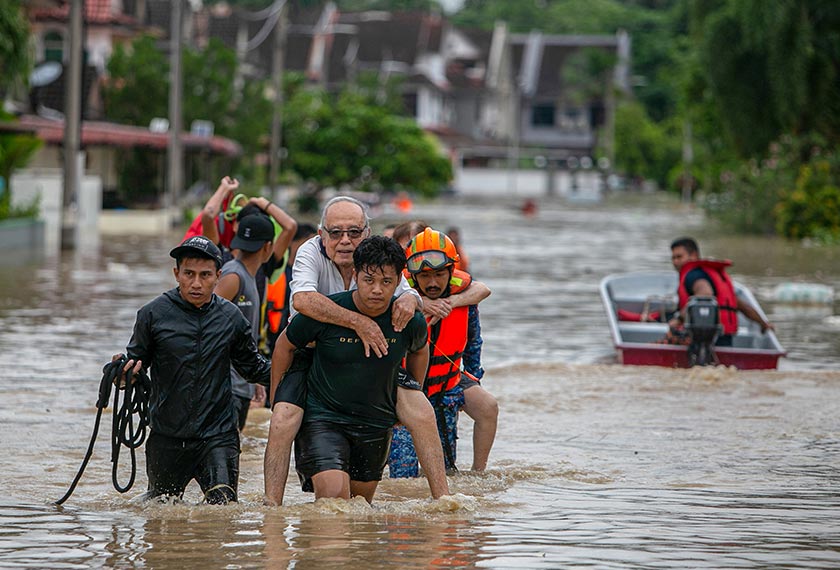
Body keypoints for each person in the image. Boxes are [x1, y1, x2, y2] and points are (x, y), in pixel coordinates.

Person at [263, 196, 490, 505]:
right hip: (315, 350)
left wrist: (411, 301)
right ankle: (271, 508)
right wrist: (359, 323)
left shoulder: (381, 261)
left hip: (372, 355)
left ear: (366, 234)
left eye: (354, 232)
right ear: (321, 234)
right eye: (335, 233)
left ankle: (444, 500)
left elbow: (411, 303)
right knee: (283, 416)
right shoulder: (309, 252)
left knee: (420, 410)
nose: (345, 241)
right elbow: (302, 302)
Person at [270, 236, 430, 502]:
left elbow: (420, 349)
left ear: (398, 281)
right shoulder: (323, 305)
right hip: (324, 416)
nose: (377, 289)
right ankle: (271, 512)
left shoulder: (406, 318)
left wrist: (411, 388)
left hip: (374, 421)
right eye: (369, 281)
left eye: (386, 282)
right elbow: (284, 344)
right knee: (334, 498)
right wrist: (276, 396)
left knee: (360, 508)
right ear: (355, 275)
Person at [114, 235, 271, 504]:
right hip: (167, 435)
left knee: (223, 509)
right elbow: (135, 365)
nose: (196, 283)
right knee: (161, 514)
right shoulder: (152, 314)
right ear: (177, 273)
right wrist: (122, 375)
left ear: (218, 276)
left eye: (205, 275)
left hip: (218, 435)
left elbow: (253, 367)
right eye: (189, 273)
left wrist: (295, 365)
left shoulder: (231, 318)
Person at [389, 228, 498, 477]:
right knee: (403, 478)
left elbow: (474, 342)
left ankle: (477, 476)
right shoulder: (398, 297)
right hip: (407, 393)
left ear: (451, 271)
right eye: (425, 276)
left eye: (439, 274)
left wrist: (473, 378)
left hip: (446, 390)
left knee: (446, 471)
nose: (433, 283)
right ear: (412, 274)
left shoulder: (464, 298)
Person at [215, 214, 276, 430]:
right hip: (226, 388)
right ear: (268, 246)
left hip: (240, 385)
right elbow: (206, 321)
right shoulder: (234, 276)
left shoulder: (248, 276)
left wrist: (254, 379)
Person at [669, 237, 774, 345]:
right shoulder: (712, 275)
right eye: (673, 258)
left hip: (706, 339)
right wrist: (763, 324)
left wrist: (679, 319)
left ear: (694, 255)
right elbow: (743, 306)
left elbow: (705, 295)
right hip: (725, 338)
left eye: (679, 257)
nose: (675, 262)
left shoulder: (693, 275)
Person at [264, 223, 318, 355]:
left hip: (301, 339)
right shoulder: (277, 269)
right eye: (311, 241)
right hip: (272, 336)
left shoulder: (314, 273)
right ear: (296, 242)